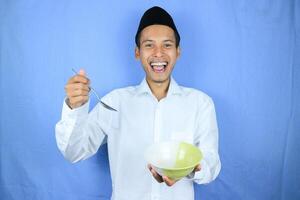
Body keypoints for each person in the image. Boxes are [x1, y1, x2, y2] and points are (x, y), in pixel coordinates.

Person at [55, 6, 221, 200]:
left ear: (178, 51)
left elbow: (212, 164)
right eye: (149, 45)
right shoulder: (115, 102)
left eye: (167, 45)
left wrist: (193, 168)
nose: (158, 53)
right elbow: (74, 151)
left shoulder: (200, 104)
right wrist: (75, 107)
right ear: (137, 52)